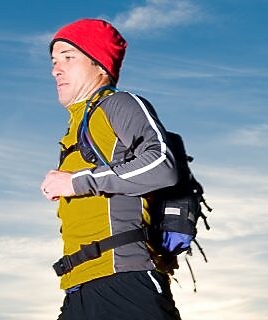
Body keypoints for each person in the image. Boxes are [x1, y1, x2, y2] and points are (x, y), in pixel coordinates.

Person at [39, 18, 182, 320]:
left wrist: (76, 183)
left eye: (68, 57)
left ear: (99, 65)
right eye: (54, 61)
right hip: (79, 287)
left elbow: (162, 166)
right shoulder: (77, 125)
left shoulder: (118, 104)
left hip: (124, 281)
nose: (56, 69)